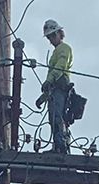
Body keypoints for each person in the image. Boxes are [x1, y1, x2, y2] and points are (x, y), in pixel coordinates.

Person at [36, 18, 73, 154]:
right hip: (54, 89)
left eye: (52, 36)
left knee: (58, 117)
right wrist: (43, 97)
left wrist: (49, 81)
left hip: (61, 87)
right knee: (53, 119)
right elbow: (51, 82)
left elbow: (60, 67)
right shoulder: (55, 52)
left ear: (59, 33)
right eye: (49, 37)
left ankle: (61, 146)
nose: (51, 40)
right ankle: (57, 146)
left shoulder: (64, 49)